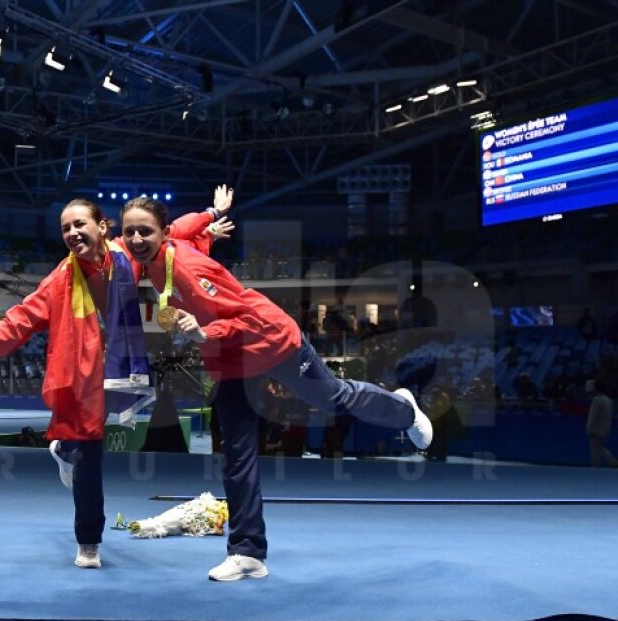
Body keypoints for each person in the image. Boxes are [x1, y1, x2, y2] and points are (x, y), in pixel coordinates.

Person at [117, 193, 433, 582]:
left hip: (270, 340)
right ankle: (247, 552)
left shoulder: (184, 269)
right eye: (128, 231)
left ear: (162, 235)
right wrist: (210, 216)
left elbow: (242, 318)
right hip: (233, 362)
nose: (134, 239)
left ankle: (404, 410)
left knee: (333, 397)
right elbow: (185, 227)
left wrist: (203, 331)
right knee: (237, 454)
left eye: (143, 232)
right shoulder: (158, 251)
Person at [0, 198, 219, 568]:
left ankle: (63, 450)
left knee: (81, 444)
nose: (72, 233)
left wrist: (209, 218)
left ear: (103, 227)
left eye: (80, 224)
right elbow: (17, 322)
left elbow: (175, 229)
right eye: (65, 228)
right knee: (89, 454)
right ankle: (89, 541)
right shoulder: (60, 279)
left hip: (119, 367)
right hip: (78, 376)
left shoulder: (126, 254)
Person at [586, 378, 618, 468]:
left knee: (595, 449)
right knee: (599, 447)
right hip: (605, 428)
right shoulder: (608, 400)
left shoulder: (597, 400)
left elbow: (593, 416)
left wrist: (589, 428)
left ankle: (596, 466)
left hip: (596, 429)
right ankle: (613, 462)